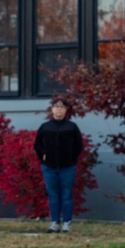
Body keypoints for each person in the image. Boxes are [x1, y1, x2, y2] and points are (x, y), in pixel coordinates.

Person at [34, 96, 84, 233]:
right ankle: (55, 222)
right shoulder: (45, 127)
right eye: (56, 107)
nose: (59, 110)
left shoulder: (71, 127)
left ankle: (67, 223)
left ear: (66, 109)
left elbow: (78, 146)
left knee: (67, 194)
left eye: (62, 107)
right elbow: (37, 145)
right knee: (53, 195)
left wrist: (71, 159)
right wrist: (43, 157)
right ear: (52, 109)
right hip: (49, 167)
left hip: (68, 167)